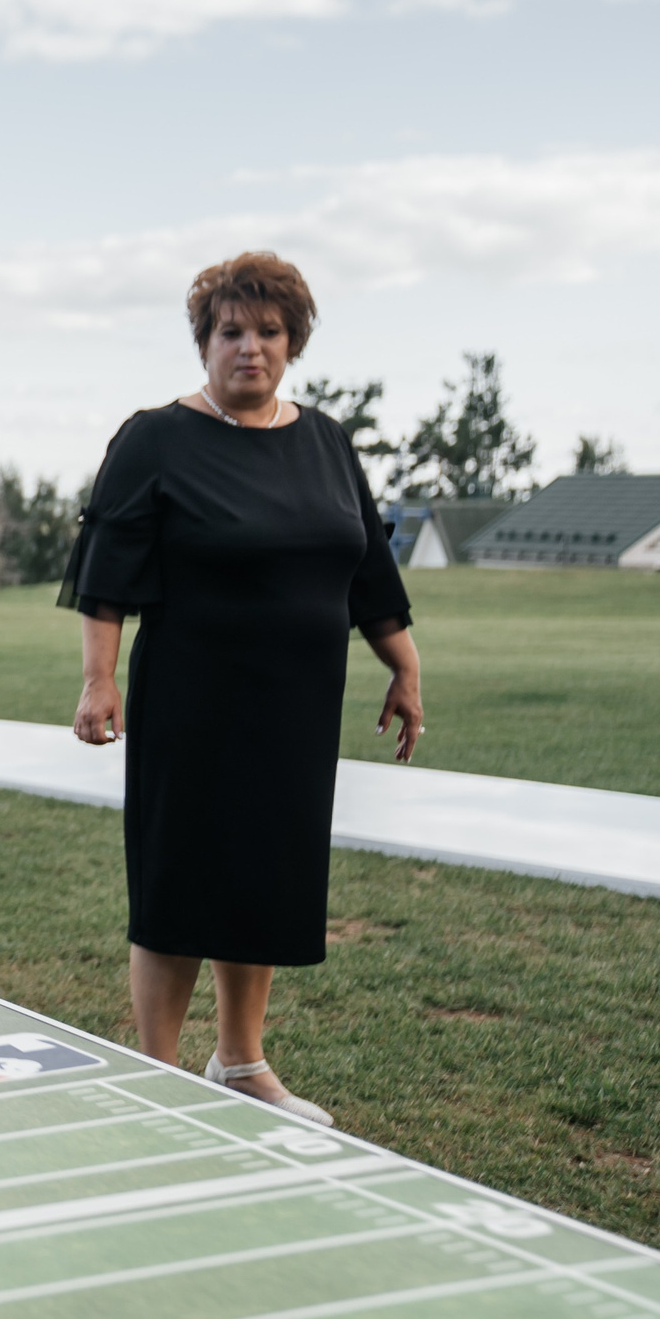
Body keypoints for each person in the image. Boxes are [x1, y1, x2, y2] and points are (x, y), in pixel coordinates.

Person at [65, 251, 424, 1127]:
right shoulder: (156, 436)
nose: (251, 348)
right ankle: (155, 1075)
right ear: (205, 342)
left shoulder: (327, 441)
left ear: (292, 341)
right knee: (180, 883)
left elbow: (367, 568)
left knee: (261, 876)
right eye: (232, 331)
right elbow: (107, 568)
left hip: (294, 708)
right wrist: (98, 680)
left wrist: (404, 663)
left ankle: (239, 1061)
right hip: (192, 701)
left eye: (268, 332)